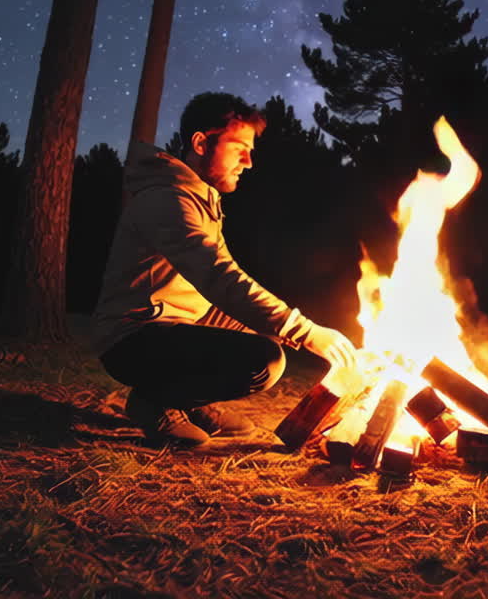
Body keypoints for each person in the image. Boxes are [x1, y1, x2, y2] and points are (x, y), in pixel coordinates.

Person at [92, 92, 357, 447]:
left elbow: (221, 279)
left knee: (266, 334)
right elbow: (218, 277)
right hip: (135, 338)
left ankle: (192, 401)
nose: (248, 161)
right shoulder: (168, 199)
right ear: (201, 143)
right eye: (238, 148)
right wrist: (306, 331)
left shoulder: (200, 198)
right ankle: (154, 400)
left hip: (177, 326)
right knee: (264, 360)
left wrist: (278, 326)